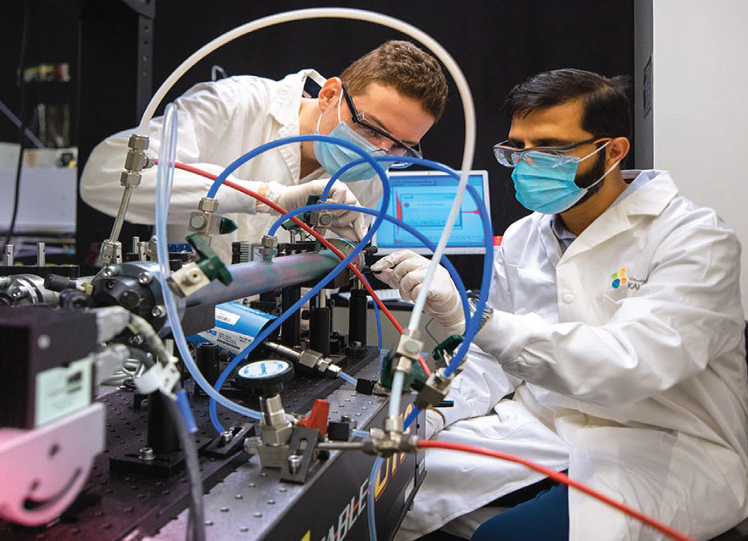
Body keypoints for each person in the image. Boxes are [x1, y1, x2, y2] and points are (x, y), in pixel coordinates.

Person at [377, 69, 748, 540]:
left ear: (613, 151)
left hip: (662, 440)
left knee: (508, 536)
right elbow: (496, 367)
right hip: (542, 427)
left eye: (550, 150)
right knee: (387, 485)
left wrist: (480, 320)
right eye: (518, 149)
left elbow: (634, 363)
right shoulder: (524, 235)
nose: (528, 165)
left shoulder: (694, 238)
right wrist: (430, 410)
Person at [80, 40, 448, 261]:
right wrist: (268, 197)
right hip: (184, 325)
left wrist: (345, 259)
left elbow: (331, 274)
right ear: (330, 94)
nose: (378, 152)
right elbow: (103, 176)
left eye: (400, 146)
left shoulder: (372, 178)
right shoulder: (234, 105)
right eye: (370, 128)